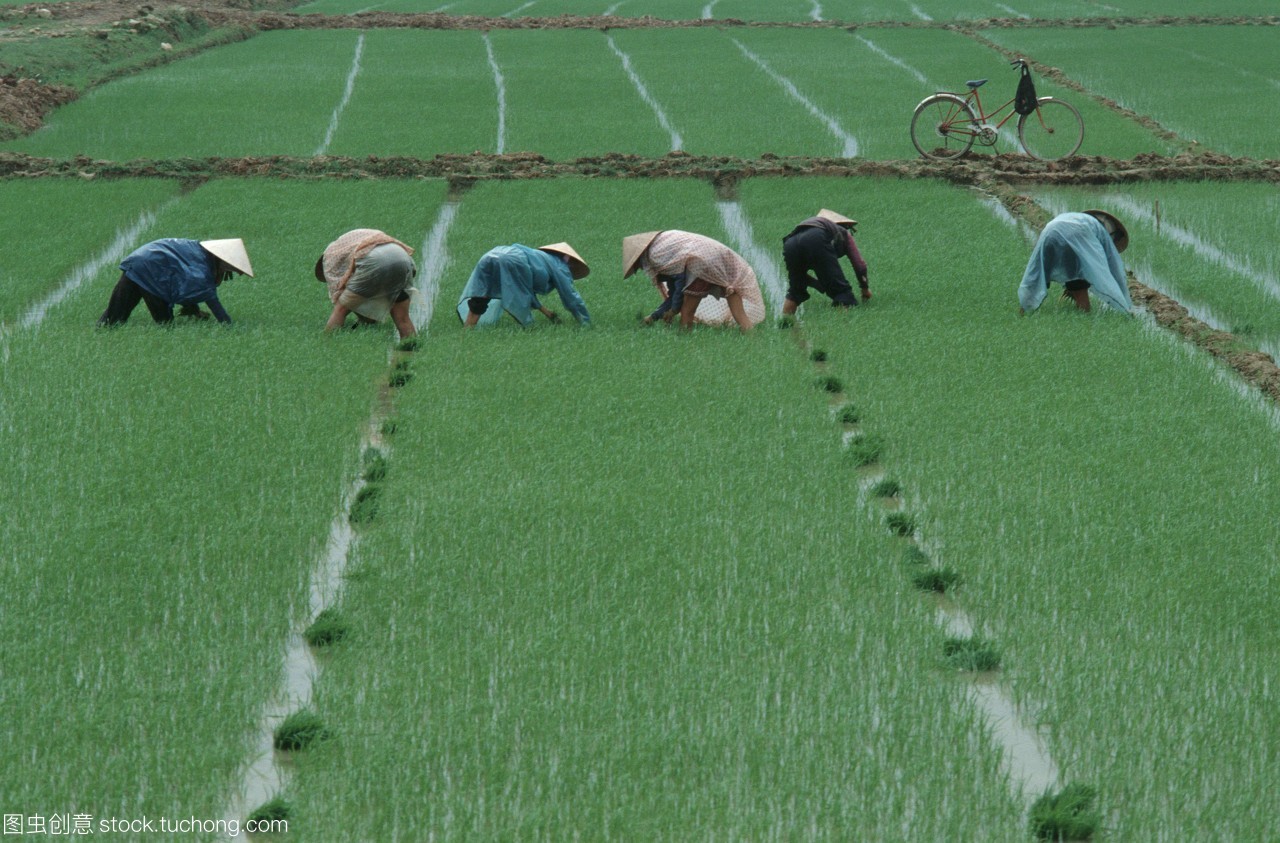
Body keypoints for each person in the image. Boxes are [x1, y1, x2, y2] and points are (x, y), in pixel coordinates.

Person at [623, 230, 765, 332]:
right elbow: (674, 291)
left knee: (687, 312)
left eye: (637, 267)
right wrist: (654, 317)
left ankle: (684, 342)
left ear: (638, 259)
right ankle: (751, 336)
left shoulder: (655, 256)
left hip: (701, 263)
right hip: (715, 257)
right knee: (732, 294)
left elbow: (678, 285)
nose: (640, 269)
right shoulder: (660, 244)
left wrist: (673, 310)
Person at [97, 238, 252, 326]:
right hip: (152, 269)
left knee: (114, 316)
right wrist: (229, 325)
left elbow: (185, 283)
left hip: (138, 261)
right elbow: (214, 303)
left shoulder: (198, 250)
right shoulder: (203, 273)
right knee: (165, 323)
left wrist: (194, 310)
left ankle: (103, 330)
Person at [1018, 210, 1131, 314]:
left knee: (1037, 276)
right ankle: (1084, 316)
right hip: (1076, 234)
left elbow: (1070, 266)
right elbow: (1113, 268)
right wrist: (1125, 306)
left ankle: (1023, 313)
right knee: (1079, 284)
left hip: (1049, 232)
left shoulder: (1081, 219)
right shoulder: (1101, 232)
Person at [456, 243, 591, 328]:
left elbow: (524, 287)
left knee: (483, 292)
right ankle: (529, 328)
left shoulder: (537, 256)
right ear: (568, 260)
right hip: (514, 259)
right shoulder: (560, 267)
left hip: (493, 253)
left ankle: (468, 330)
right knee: (516, 299)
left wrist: (547, 313)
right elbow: (570, 297)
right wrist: (585, 321)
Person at [317, 229, 418, 339]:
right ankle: (411, 348)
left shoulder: (330, 257)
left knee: (341, 308)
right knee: (402, 318)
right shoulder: (347, 244)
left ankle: (326, 341)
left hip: (373, 259)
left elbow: (340, 292)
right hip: (401, 256)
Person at [781, 208, 870, 315]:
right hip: (816, 238)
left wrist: (820, 286)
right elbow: (860, 266)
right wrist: (865, 289)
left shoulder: (808, 227)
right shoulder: (842, 232)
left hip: (790, 243)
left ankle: (785, 324)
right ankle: (845, 327)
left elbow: (802, 276)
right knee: (842, 293)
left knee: (795, 291)